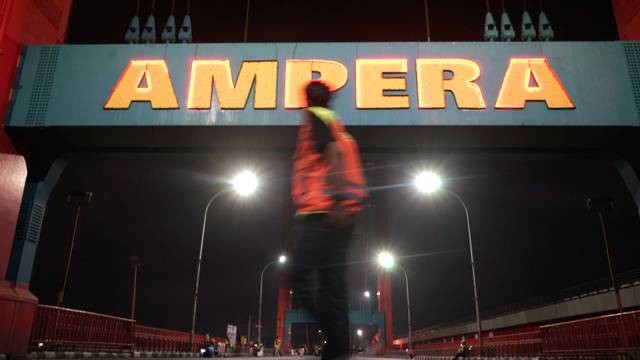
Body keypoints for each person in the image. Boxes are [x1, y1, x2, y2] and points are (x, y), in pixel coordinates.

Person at [290, 80, 368, 360]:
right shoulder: (339, 127)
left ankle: (334, 336)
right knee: (332, 286)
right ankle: (338, 351)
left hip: (319, 213)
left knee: (298, 276)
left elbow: (332, 155)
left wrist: (335, 201)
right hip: (342, 216)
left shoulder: (314, 119)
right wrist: (346, 209)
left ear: (307, 99)